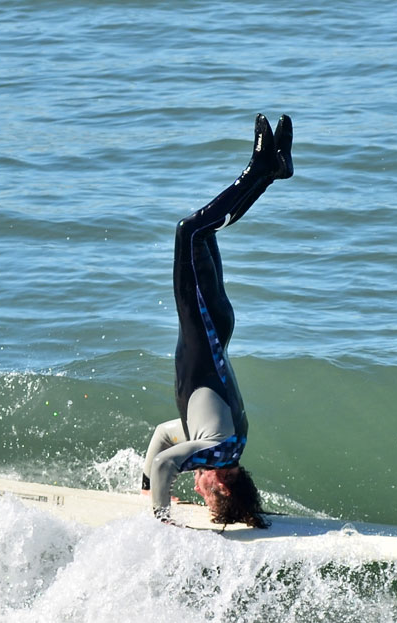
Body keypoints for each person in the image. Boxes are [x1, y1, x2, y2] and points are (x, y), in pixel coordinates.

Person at [140, 113, 293, 527]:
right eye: (206, 497)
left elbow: (162, 436)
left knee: (201, 234)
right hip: (204, 330)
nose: (197, 490)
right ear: (222, 484)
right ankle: (261, 171)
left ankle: (270, 172)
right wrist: (161, 519)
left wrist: (143, 491)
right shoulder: (219, 451)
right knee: (189, 231)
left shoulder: (222, 445)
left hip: (215, 327)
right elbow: (167, 466)